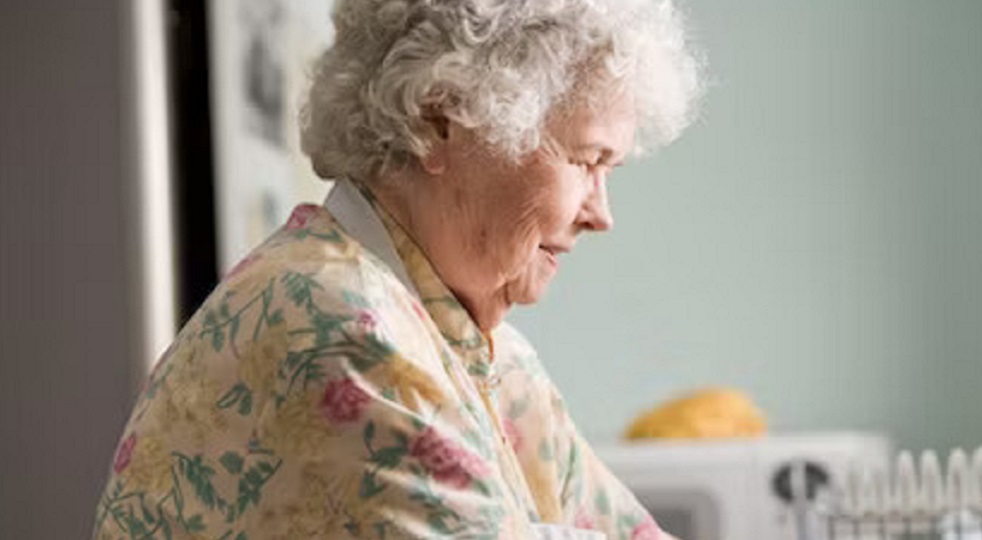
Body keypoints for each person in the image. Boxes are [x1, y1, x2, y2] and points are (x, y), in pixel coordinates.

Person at [93, 0, 702, 537]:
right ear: (440, 122)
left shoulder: (485, 353)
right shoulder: (339, 323)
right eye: (584, 161)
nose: (601, 215)